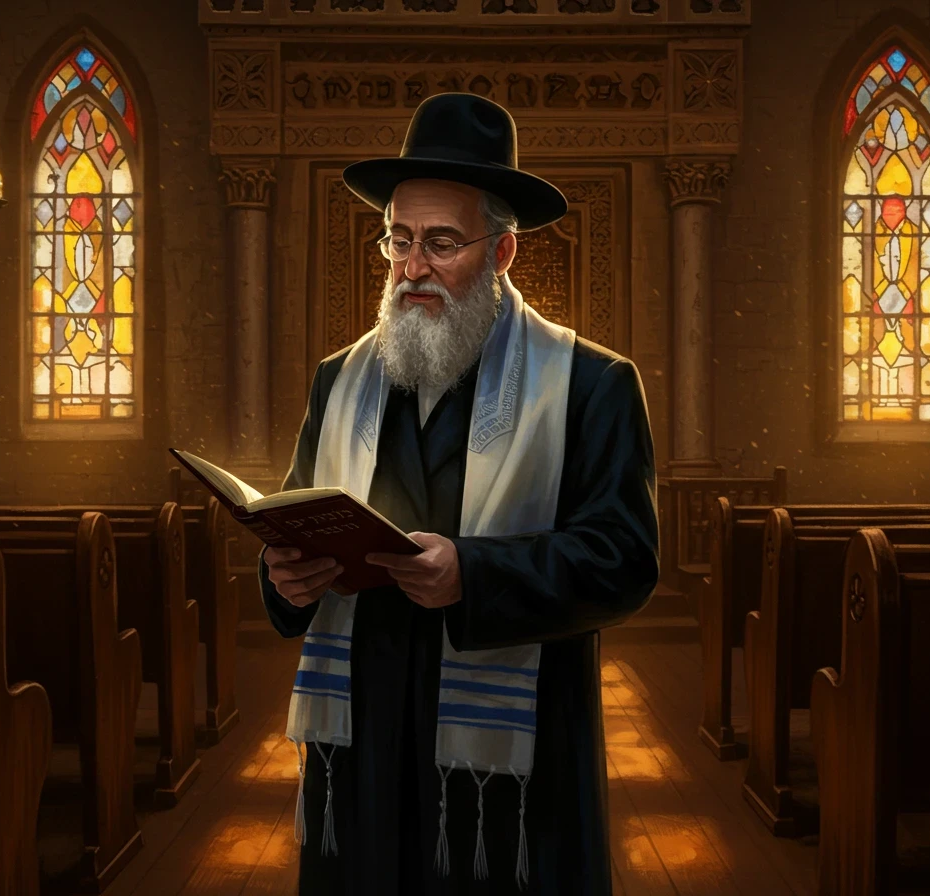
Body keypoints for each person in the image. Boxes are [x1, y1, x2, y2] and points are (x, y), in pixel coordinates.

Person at [259, 92, 659, 896]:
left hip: (514, 758)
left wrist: (473, 575)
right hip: (364, 730)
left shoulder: (591, 385)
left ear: (504, 251)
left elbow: (624, 560)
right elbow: (294, 518)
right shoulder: (339, 379)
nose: (412, 267)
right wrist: (284, 581)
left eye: (441, 243)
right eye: (399, 239)